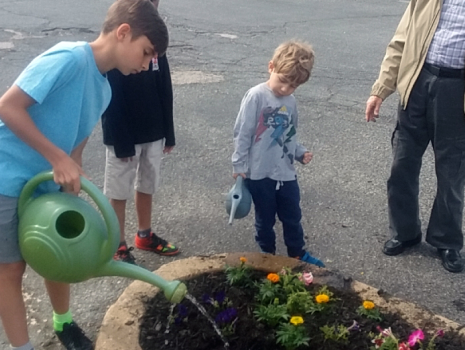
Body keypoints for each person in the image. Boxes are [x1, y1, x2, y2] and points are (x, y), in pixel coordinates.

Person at [0, 0, 168, 349]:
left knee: (56, 252)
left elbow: (77, 141)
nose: (147, 64)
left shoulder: (104, 88)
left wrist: (72, 171)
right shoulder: (68, 58)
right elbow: (8, 106)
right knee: (11, 270)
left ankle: (63, 322)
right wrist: (57, 157)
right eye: (146, 51)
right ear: (123, 33)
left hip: (47, 182)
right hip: (7, 176)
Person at [365, 0, 465, 273]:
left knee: (452, 172)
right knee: (402, 164)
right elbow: (401, 41)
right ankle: (405, 231)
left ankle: (446, 240)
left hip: (458, 91)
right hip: (418, 83)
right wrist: (380, 89)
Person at [232, 40, 325, 267]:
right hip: (259, 172)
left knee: (292, 215)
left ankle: (296, 252)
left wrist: (300, 152)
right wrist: (239, 165)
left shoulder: (290, 102)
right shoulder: (256, 96)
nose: (286, 89)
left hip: (285, 172)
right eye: (283, 81)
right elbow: (243, 132)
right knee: (265, 219)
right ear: (271, 66)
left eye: (293, 86)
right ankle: (267, 256)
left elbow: (290, 133)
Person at [102, 0, 179, 266]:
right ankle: (117, 242)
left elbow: (165, 89)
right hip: (124, 136)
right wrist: (121, 141)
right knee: (119, 190)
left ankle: (144, 235)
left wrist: (168, 132)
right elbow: (109, 99)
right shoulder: (119, 48)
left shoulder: (155, 44)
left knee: (147, 184)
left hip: (154, 131)